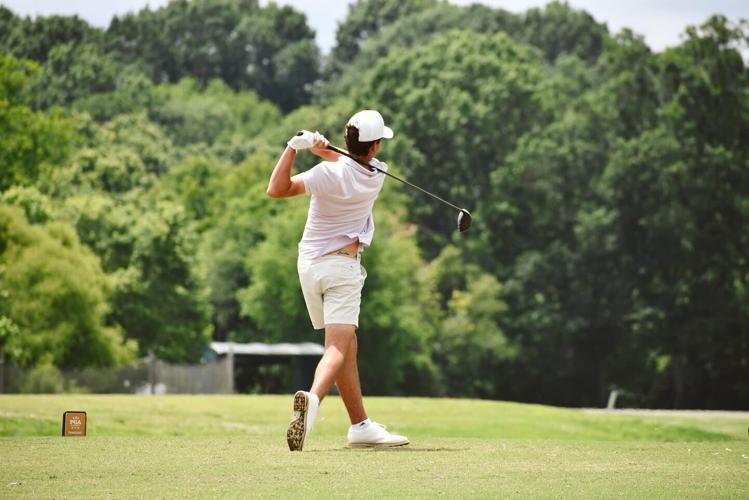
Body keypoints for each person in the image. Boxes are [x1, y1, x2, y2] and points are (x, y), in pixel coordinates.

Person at [266, 110, 410, 451]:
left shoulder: (324, 175)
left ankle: (360, 426)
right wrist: (323, 148)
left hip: (310, 268)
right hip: (341, 270)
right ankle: (312, 402)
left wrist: (293, 147)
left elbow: (277, 189)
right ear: (374, 147)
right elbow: (352, 164)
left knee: (347, 346)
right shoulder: (378, 172)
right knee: (335, 346)